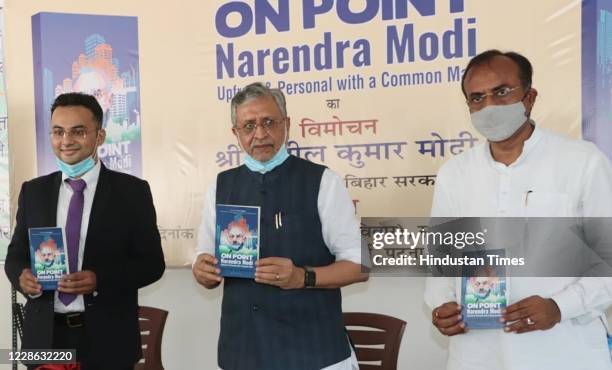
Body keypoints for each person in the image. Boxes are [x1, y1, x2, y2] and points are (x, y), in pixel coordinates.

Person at [425, 50, 612, 370]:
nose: (489, 106)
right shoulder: (454, 174)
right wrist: (442, 304)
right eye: (477, 98)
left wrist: (559, 307)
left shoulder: (582, 162)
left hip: (563, 350)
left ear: (529, 97)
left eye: (501, 92)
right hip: (476, 354)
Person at [192, 82, 368, 370]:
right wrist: (203, 271)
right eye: (248, 126)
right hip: (243, 352)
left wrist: (303, 277)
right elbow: (206, 263)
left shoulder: (323, 181)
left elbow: (361, 265)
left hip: (314, 354)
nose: (259, 134)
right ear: (235, 133)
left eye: (269, 122)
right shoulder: (220, 186)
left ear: (287, 124)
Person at [4, 92, 165, 370]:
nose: (66, 141)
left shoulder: (131, 192)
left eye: (78, 132)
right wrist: (22, 277)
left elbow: (152, 264)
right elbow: (15, 256)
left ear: (99, 136)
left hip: (107, 340)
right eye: (58, 132)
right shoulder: (34, 191)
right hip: (45, 339)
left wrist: (99, 279)